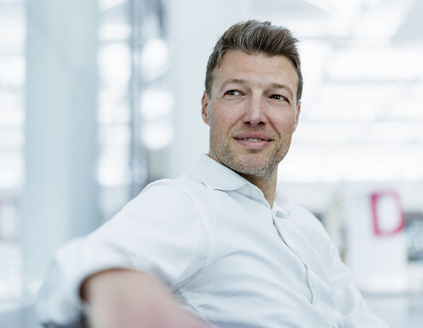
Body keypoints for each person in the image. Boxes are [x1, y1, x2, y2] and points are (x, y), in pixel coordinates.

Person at [37, 20, 388, 328]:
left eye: (276, 97)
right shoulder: (187, 203)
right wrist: (125, 295)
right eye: (235, 93)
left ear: (296, 116)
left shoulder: (307, 228)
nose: (255, 114)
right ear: (207, 107)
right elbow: (81, 264)